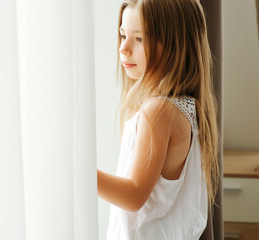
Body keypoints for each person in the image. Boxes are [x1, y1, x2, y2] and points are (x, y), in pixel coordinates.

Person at [96, 0, 220, 239]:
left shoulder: (159, 111)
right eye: (123, 36)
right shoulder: (182, 107)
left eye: (139, 39)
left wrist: (82, 174)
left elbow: (134, 195)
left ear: (174, 45)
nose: (124, 48)